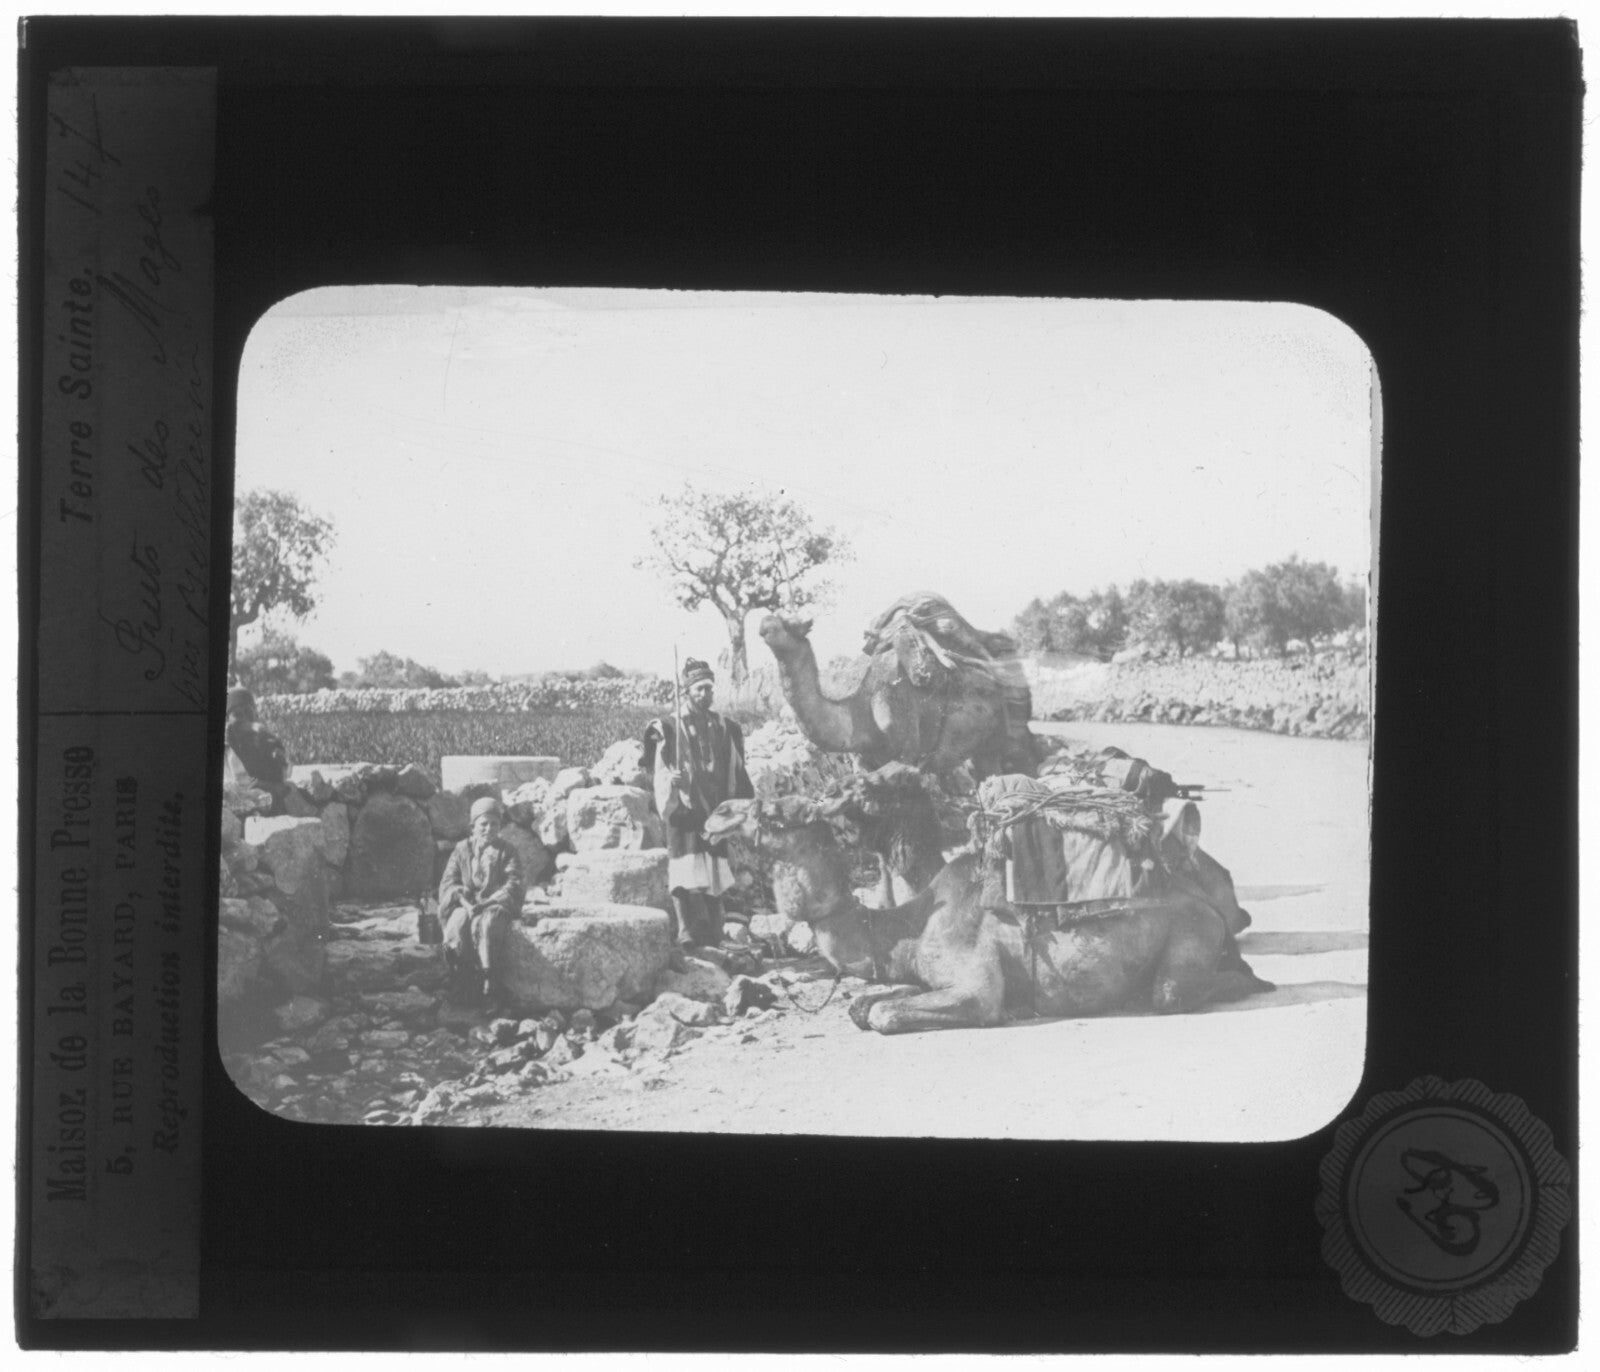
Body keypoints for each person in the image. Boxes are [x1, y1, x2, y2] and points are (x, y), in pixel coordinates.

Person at [643, 657, 755, 951]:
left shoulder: (722, 726)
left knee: (715, 867)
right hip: (683, 810)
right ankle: (684, 930)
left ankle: (716, 930)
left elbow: (733, 766)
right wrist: (673, 780)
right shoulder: (669, 727)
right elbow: (660, 771)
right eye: (699, 690)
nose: (706, 694)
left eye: (709, 689)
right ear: (687, 693)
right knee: (683, 866)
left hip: (712, 809)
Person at [437, 797, 526, 1007]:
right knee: (457, 925)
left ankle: (489, 982)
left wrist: (486, 904)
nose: (489, 829)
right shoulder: (462, 849)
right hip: (466, 903)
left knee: (487, 925)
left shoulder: (507, 850)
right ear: (473, 826)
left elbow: (514, 884)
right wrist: (466, 903)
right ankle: (462, 980)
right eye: (483, 824)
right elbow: (449, 881)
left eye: (494, 824)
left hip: (495, 903)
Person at [224, 686, 292, 813]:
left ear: (256, 714)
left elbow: (283, 773)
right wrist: (252, 727)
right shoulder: (229, 739)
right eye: (238, 715)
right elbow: (230, 731)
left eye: (248, 713)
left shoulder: (264, 740)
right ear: (227, 719)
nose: (245, 718)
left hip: (262, 798)